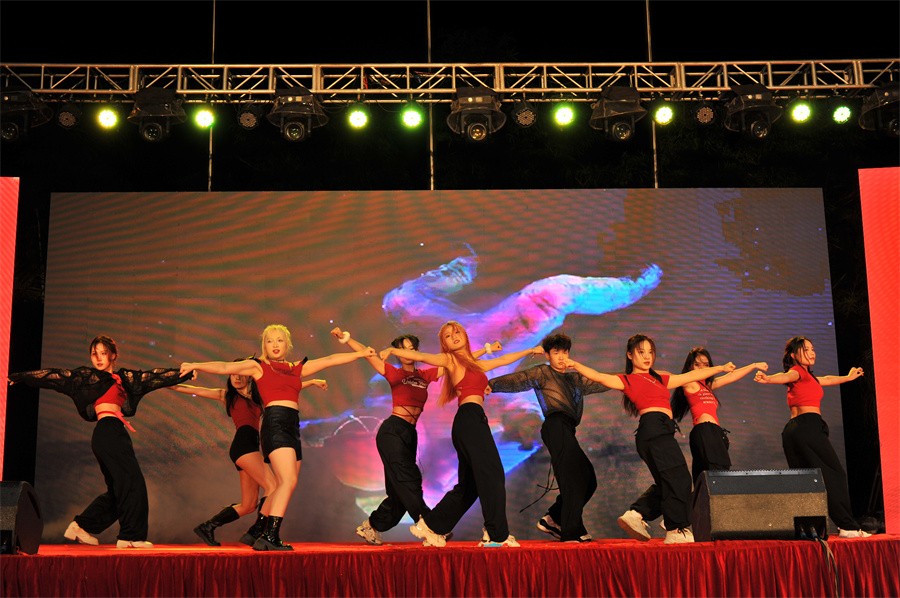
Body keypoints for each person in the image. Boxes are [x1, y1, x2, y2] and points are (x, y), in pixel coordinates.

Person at [179, 324, 375, 551]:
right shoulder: (258, 367)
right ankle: (270, 535)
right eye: (270, 340)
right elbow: (224, 367)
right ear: (264, 345)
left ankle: (257, 532)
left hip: (293, 426)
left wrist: (360, 353)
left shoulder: (296, 368)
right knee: (286, 481)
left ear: (287, 345)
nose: (275, 345)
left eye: (279, 340)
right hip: (276, 423)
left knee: (284, 484)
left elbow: (330, 359)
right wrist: (195, 365)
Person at [7, 335, 191, 548]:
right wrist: (22, 377)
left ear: (113, 355)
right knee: (133, 483)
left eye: (104, 353)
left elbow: (153, 377)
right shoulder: (90, 378)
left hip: (115, 433)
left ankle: (81, 526)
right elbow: (55, 376)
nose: (99, 358)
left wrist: (184, 374)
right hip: (108, 432)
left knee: (118, 490)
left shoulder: (125, 379)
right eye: (95, 354)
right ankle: (130, 537)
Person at [380, 320, 543, 548]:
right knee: (492, 474)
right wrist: (392, 351)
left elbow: (503, 360)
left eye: (457, 332)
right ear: (445, 344)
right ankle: (496, 534)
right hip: (469, 420)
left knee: (471, 485)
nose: (454, 336)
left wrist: (529, 350)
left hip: (473, 420)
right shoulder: (449, 360)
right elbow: (422, 356)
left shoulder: (474, 364)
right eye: (448, 336)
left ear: (465, 335)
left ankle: (433, 525)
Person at [330, 327, 500, 545]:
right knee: (408, 479)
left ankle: (371, 526)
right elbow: (368, 354)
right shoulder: (394, 373)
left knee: (400, 492)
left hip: (410, 434)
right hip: (392, 431)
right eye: (403, 349)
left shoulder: (424, 376)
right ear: (398, 353)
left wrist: (485, 350)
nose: (408, 352)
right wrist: (347, 338)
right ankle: (428, 523)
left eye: (412, 348)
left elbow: (459, 362)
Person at [565, 333, 735, 544]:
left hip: (661, 430)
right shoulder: (627, 379)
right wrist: (575, 364)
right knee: (680, 478)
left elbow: (690, 376)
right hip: (653, 429)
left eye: (650, 352)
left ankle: (638, 514)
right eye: (641, 352)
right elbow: (598, 376)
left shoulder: (660, 378)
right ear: (630, 355)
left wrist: (720, 368)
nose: (647, 357)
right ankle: (675, 528)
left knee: (668, 481)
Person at [171, 363, 328, 546]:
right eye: (233, 375)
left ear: (249, 376)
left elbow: (285, 388)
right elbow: (195, 390)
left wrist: (311, 382)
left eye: (241, 375)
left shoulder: (260, 395)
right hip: (243, 446)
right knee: (274, 485)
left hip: (250, 447)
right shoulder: (226, 395)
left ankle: (208, 527)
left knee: (249, 504)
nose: (237, 378)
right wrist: (168, 383)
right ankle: (257, 531)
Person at [486, 332, 610, 543]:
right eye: (556, 352)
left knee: (588, 479)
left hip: (568, 429)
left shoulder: (574, 379)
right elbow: (519, 379)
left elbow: (603, 381)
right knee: (572, 477)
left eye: (565, 352)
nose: (561, 357)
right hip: (555, 426)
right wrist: (493, 384)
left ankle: (554, 518)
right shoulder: (543, 372)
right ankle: (571, 531)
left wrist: (629, 379)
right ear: (548, 355)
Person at [753, 336, 870, 538]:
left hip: (793, 431)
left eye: (812, 349)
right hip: (808, 427)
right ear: (793, 355)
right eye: (806, 349)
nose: (811, 352)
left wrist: (848, 377)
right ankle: (848, 526)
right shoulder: (797, 371)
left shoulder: (809, 377)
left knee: (805, 480)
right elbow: (786, 376)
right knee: (834, 474)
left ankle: (808, 531)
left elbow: (827, 379)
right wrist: (769, 379)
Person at [670, 347, 768, 485]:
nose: (702, 368)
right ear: (690, 366)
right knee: (715, 476)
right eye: (697, 364)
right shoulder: (689, 382)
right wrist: (721, 368)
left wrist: (753, 365)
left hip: (715, 433)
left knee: (716, 475)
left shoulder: (707, 386)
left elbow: (731, 376)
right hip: (705, 432)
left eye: (706, 365)